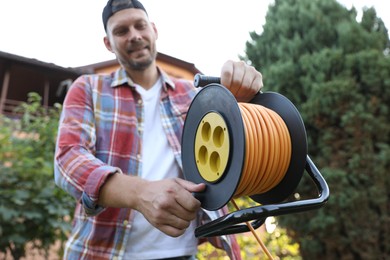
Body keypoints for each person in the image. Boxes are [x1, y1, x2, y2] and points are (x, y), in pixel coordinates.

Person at [54, 0, 263, 259]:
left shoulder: (194, 94)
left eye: (140, 26)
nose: (134, 36)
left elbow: (235, 150)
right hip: (102, 252)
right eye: (121, 31)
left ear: (154, 30)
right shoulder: (87, 88)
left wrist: (243, 96)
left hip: (182, 252)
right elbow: (68, 158)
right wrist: (140, 193)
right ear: (108, 43)